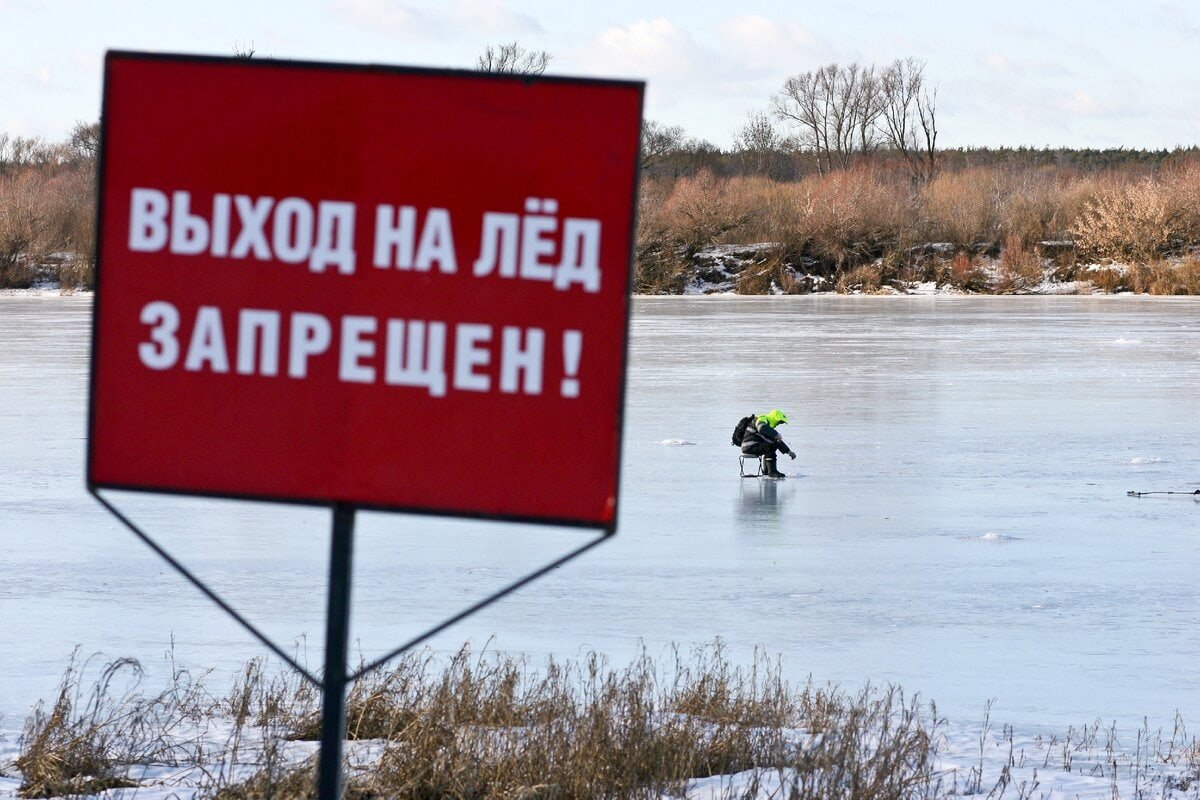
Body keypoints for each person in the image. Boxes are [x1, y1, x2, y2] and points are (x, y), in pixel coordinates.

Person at [739, 409, 796, 478]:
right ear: (775, 418)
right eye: (779, 422)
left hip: (751, 446)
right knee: (771, 446)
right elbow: (761, 428)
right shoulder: (763, 419)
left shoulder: (768, 427)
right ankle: (772, 471)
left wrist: (788, 451)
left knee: (771, 444)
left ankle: (767, 471)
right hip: (750, 446)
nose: (778, 424)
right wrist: (775, 434)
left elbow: (776, 440)